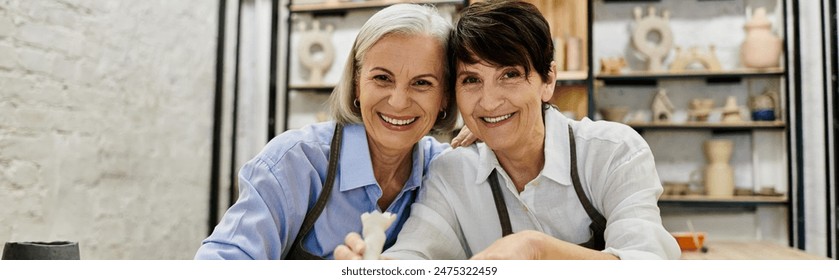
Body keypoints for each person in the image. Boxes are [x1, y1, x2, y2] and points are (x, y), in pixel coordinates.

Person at [335, 0, 680, 260]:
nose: (488, 102)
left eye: (510, 75)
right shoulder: (452, 171)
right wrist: (372, 265)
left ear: (547, 81)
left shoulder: (612, 152)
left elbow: (648, 264)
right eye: (471, 80)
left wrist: (538, 249)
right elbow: (416, 252)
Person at [194, 3, 459, 259]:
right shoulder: (295, 161)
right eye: (382, 78)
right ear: (357, 83)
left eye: (422, 83)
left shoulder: (445, 170)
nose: (398, 101)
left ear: (445, 97)